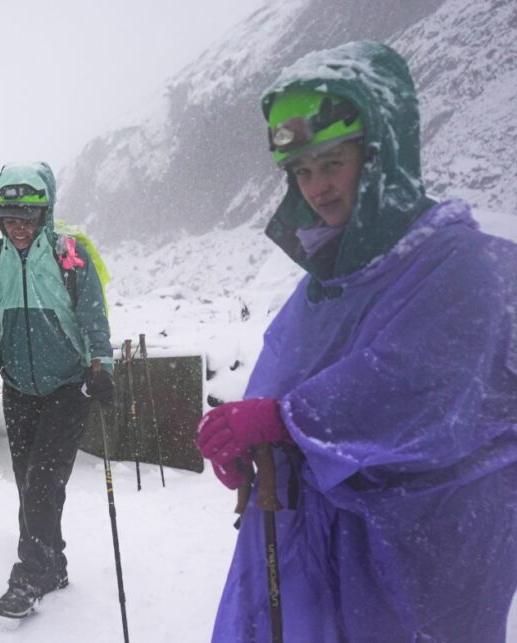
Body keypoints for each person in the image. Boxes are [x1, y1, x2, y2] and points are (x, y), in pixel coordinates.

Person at [195, 41, 517, 642]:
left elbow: (423, 393)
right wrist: (254, 445)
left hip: (420, 560)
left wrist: (284, 421)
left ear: (380, 153)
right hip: (327, 558)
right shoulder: (328, 279)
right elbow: (286, 373)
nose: (317, 187)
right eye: (302, 171)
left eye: (332, 162)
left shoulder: (460, 265)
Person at [0, 161, 114, 618]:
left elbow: (92, 316)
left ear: (45, 213)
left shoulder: (70, 256)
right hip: (19, 387)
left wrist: (100, 366)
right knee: (30, 483)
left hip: (67, 386)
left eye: (28, 217)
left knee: (43, 481)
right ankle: (52, 564)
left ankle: (32, 573)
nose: (19, 228)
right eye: (10, 219)